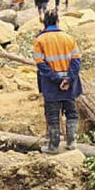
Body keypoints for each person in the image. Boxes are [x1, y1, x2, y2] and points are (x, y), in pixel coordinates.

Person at [33, 10, 83, 154]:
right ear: (57, 21)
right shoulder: (69, 38)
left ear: (44, 22)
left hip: (50, 84)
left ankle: (53, 146)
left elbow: (40, 64)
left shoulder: (40, 40)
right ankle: (71, 143)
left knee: (53, 114)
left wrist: (56, 79)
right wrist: (68, 79)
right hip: (70, 84)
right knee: (71, 113)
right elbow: (76, 61)